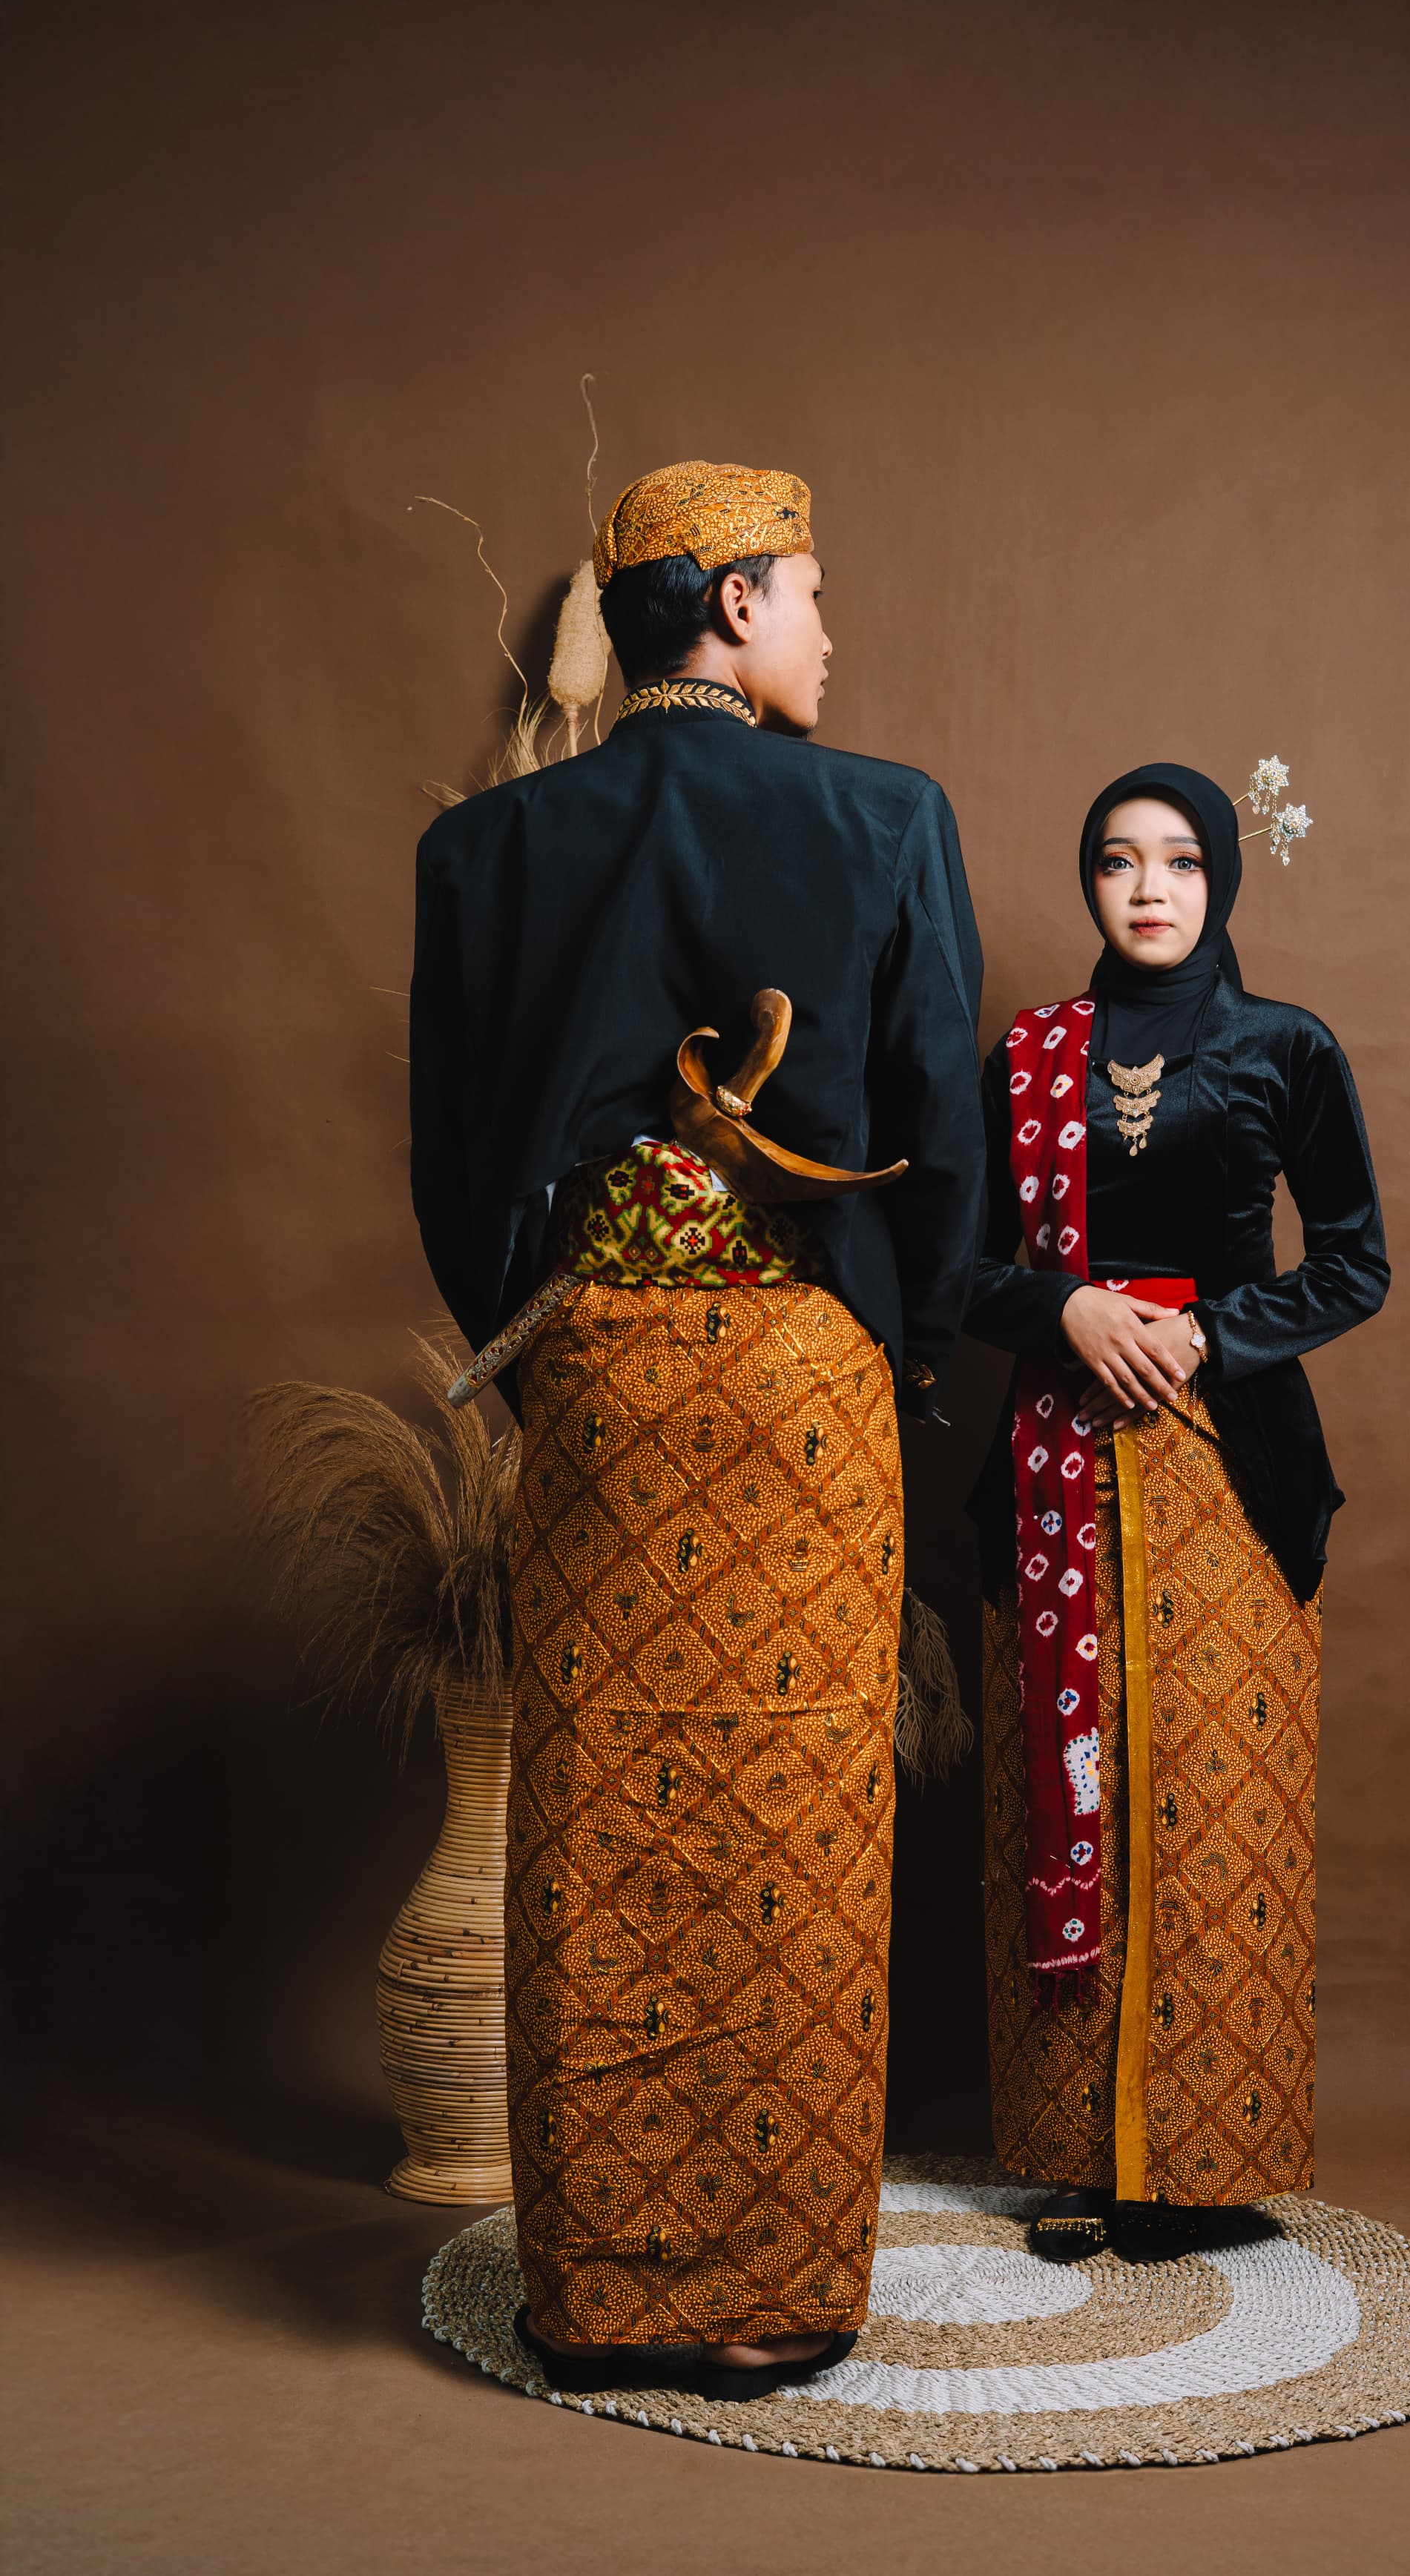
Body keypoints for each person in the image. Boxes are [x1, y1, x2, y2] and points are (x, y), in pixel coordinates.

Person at [409, 460, 984, 2393]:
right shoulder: (888, 815)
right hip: (808, 1386)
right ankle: (768, 2286)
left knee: (603, 1807)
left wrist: (551, 1346)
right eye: (810, 592)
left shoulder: (483, 848)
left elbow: (450, 1176)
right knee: (796, 1815)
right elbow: (939, 1143)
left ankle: (597, 2292)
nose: (829, 631)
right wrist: (895, 1357)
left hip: (600, 1389)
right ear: (732, 606)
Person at [964, 762, 1387, 2262]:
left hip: (1230, 1466)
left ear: (1223, 879)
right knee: (1073, 1780)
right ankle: (1079, 2155)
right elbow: (957, 1267)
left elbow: (1353, 1261)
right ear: (1088, 881)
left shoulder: (1286, 1046)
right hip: (1056, 1468)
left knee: (1213, 1797)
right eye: (1117, 859)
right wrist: (1067, 1307)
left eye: (1182, 860)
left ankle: (1206, 2160)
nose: (1148, 888)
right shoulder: (1027, 1056)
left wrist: (1206, 1332)